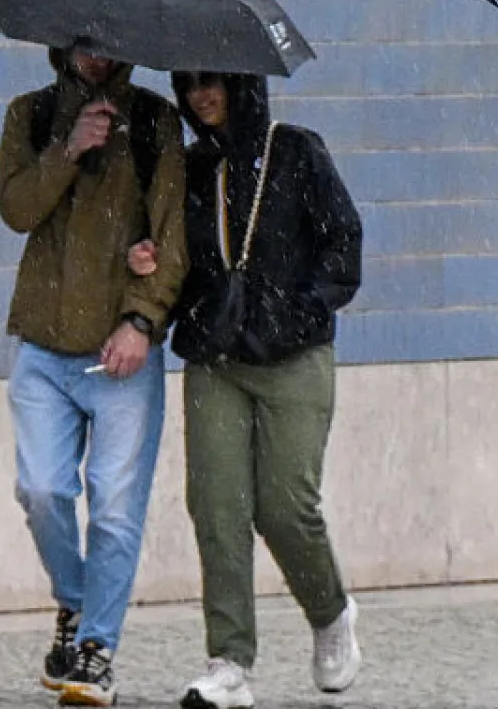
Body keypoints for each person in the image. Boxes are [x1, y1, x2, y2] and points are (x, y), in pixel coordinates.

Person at [149, 71, 364, 709]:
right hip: (215, 358)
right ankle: (229, 662)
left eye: (212, 82)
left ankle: (330, 613)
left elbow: (343, 246)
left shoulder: (295, 151)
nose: (200, 96)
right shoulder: (189, 170)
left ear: (242, 82)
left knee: (284, 506)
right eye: (188, 85)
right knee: (216, 505)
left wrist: (295, 312)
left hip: (294, 357)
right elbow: (175, 261)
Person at [0, 45, 188, 707]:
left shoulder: (157, 122)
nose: (98, 54)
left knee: (112, 507)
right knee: (42, 490)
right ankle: (75, 606)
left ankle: (96, 647)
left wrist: (141, 320)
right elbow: (16, 209)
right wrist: (68, 148)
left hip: (119, 351)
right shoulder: (32, 113)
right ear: (63, 45)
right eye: (86, 40)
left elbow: (171, 237)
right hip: (44, 347)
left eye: (111, 42)